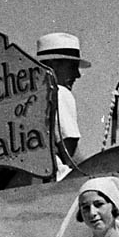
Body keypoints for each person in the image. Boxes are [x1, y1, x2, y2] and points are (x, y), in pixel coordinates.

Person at [36, 32, 90, 180]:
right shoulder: (59, 92)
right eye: (73, 67)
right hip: (57, 183)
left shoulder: (24, 100)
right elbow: (71, 156)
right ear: (53, 65)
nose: (77, 75)